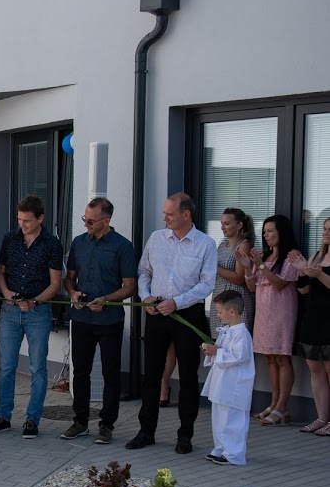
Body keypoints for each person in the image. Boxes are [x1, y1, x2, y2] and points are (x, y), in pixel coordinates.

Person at [126, 192, 216, 454]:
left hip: (187, 314)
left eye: (170, 214)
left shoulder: (205, 244)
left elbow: (207, 284)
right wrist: (145, 297)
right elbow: (144, 271)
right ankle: (146, 431)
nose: (164, 218)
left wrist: (178, 302)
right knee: (151, 374)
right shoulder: (156, 238)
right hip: (156, 312)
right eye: (164, 213)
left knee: (188, 376)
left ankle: (185, 435)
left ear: (186, 215)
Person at [62, 198, 138, 444]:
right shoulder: (79, 243)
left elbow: (130, 287)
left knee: (110, 373)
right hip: (81, 318)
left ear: (106, 221)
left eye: (91, 221)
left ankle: (106, 425)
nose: (86, 224)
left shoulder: (123, 246)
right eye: (85, 219)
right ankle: (80, 422)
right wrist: (72, 293)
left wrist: (106, 299)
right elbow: (69, 278)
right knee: (80, 372)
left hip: (110, 320)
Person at [0, 195, 63, 439]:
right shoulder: (10, 238)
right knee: (7, 366)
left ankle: (32, 419)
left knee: (37, 368)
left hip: (38, 312)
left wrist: (35, 302)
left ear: (40, 218)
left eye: (27, 221)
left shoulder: (52, 243)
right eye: (19, 219)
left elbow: (55, 284)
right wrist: (6, 293)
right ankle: (3, 416)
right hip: (10, 311)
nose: (22, 224)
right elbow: (1, 273)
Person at [239, 214, 301, 426]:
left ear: (281, 232)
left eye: (270, 231)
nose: (266, 235)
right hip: (264, 312)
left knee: (282, 357)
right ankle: (274, 403)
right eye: (264, 231)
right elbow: (252, 287)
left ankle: (283, 406)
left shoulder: (291, 256)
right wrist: (247, 267)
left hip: (282, 311)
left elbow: (280, 284)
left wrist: (261, 265)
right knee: (270, 358)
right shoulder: (264, 256)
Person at [201, 290, 255, 465]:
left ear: (232, 312)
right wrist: (211, 351)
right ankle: (220, 449)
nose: (217, 315)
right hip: (222, 383)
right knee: (219, 419)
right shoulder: (226, 331)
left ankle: (234, 454)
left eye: (219, 312)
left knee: (233, 420)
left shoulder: (242, 334)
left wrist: (217, 352)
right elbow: (220, 352)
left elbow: (240, 357)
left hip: (235, 385)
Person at [297, 218, 330, 436]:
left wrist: (320, 275)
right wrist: (302, 271)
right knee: (315, 370)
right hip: (313, 319)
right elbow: (303, 291)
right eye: (325, 229)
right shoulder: (317, 256)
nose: (326, 233)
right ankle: (321, 418)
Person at [210, 208, 255, 337]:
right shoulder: (222, 245)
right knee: (220, 340)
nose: (222, 227)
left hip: (235, 300)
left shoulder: (243, 245)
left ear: (239, 225)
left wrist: (215, 268)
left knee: (236, 339)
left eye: (227, 224)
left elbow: (239, 277)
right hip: (220, 298)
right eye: (222, 224)